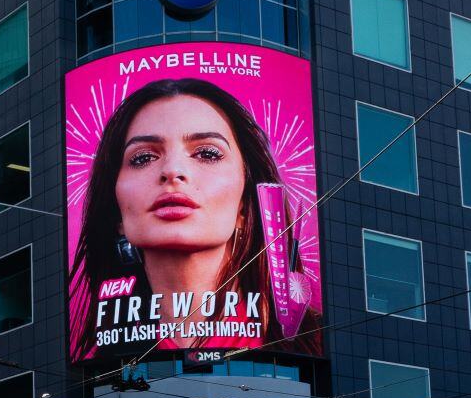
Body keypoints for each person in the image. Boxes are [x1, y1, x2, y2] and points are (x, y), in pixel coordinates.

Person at [69, 76, 320, 363]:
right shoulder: (98, 366)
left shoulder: (311, 340)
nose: (173, 171)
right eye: (142, 158)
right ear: (117, 211)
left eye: (207, 153)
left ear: (244, 204)